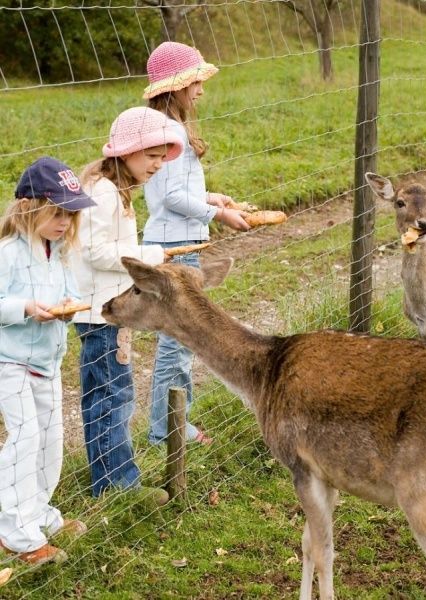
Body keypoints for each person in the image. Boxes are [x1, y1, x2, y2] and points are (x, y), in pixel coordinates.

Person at [142, 41, 250, 446]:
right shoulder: (171, 131)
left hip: (177, 238)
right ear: (177, 86)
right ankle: (166, 429)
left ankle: (169, 423)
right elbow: (171, 199)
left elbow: (174, 191)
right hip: (177, 245)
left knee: (181, 340)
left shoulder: (167, 128)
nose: (202, 89)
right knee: (179, 342)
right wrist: (218, 215)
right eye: (196, 81)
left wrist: (211, 197)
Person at [72, 106, 183, 499]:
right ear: (128, 150)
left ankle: (113, 481)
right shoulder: (102, 191)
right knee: (112, 396)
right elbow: (93, 251)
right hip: (101, 313)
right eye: (152, 156)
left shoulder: (115, 189)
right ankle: (117, 487)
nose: (157, 165)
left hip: (110, 310)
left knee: (112, 393)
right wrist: (150, 255)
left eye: (161, 157)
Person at [0, 156, 96, 565]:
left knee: (50, 441)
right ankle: (16, 533)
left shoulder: (58, 252)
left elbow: (70, 291)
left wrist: (69, 307)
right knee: (24, 441)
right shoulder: (8, 252)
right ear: (29, 208)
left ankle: (38, 512)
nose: (63, 223)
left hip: (49, 362)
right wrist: (25, 308)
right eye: (56, 213)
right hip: (12, 362)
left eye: (69, 215)